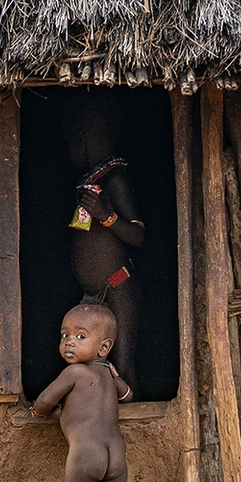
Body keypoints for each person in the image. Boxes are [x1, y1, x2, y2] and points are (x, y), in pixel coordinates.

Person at [28, 301, 132, 482]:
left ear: (104, 346)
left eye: (80, 336)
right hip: (116, 454)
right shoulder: (109, 375)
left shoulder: (73, 373)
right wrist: (116, 374)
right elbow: (128, 395)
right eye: (65, 335)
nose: (69, 342)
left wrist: (38, 413)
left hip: (86, 453)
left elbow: (44, 402)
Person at [66, 105, 145, 397]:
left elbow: (138, 236)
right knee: (94, 365)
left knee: (122, 365)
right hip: (93, 295)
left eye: (70, 142)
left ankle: (133, 430)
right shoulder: (93, 180)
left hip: (118, 286)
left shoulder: (115, 180)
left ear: (80, 139)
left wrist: (105, 215)